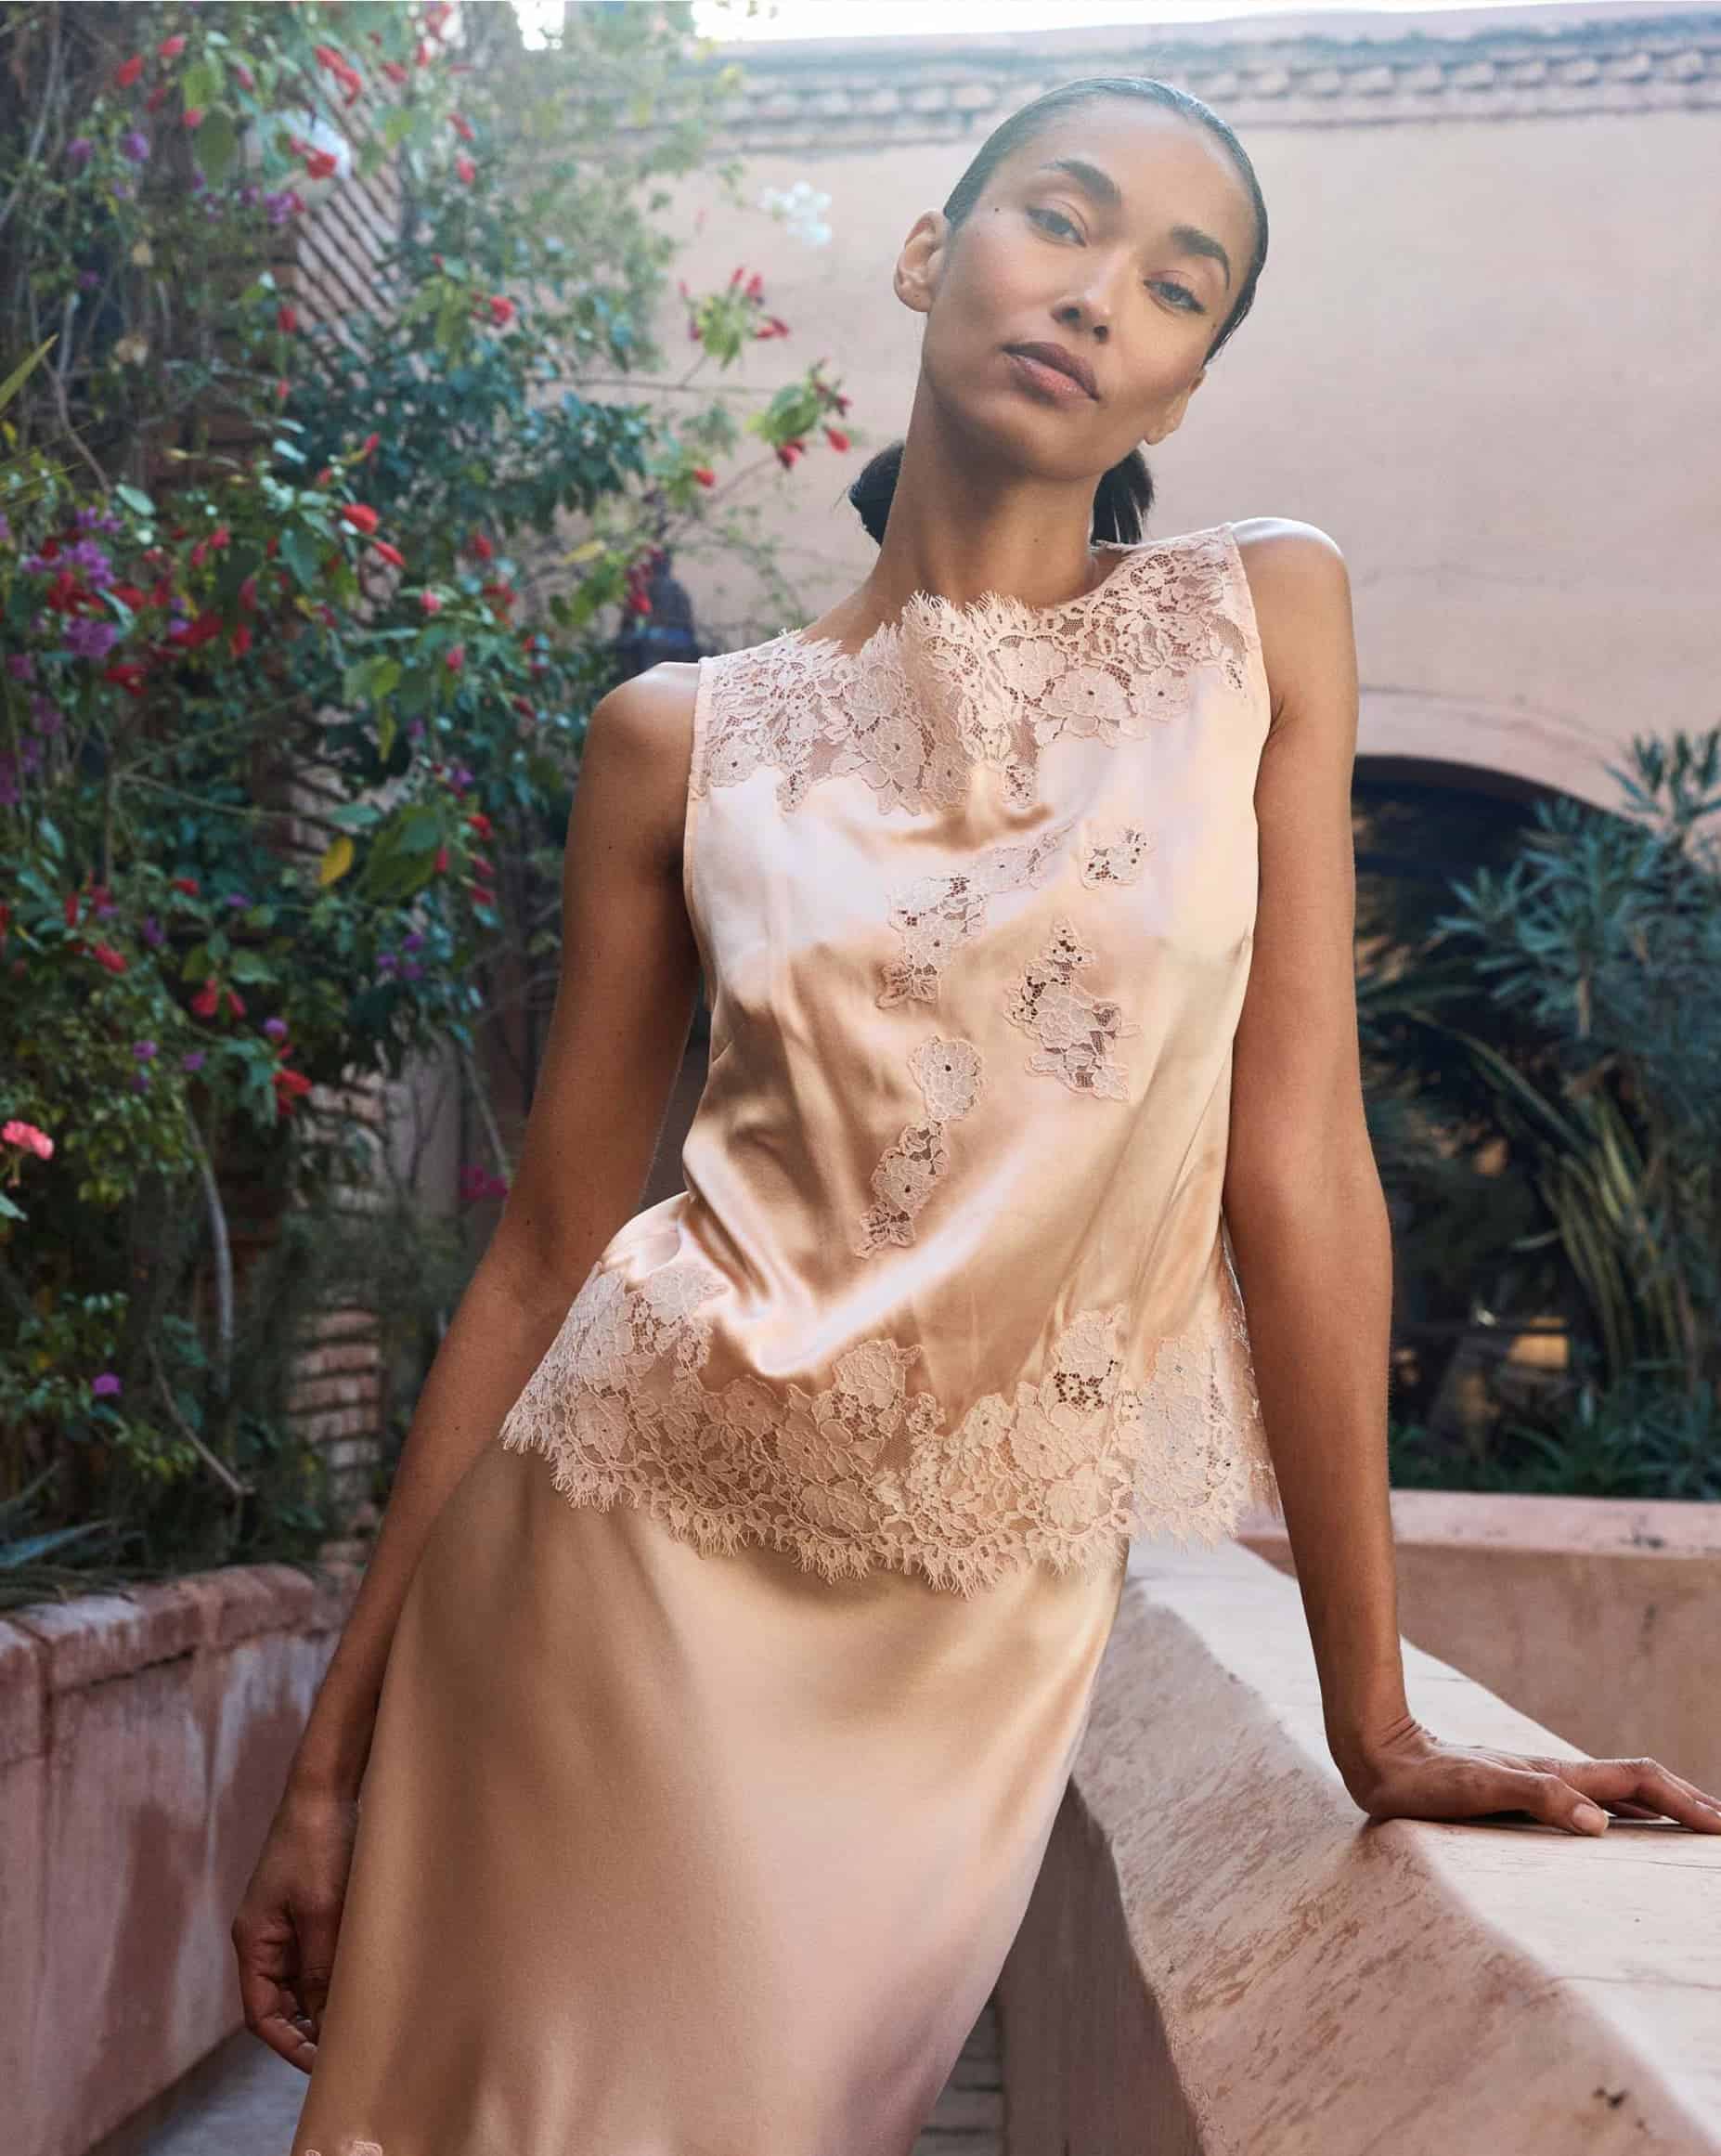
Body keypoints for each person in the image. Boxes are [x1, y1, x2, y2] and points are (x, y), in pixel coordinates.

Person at [239, 71, 1721, 2156]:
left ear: (1188, 386)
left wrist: (1370, 1715)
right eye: (1064, 219)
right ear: (936, 254)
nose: (1101, 292)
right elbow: (546, 1253)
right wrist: (331, 1760)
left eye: (1177, 281)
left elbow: (1297, 1166)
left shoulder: (1260, 619)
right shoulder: (675, 741)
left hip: (980, 1631)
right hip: (607, 1575)